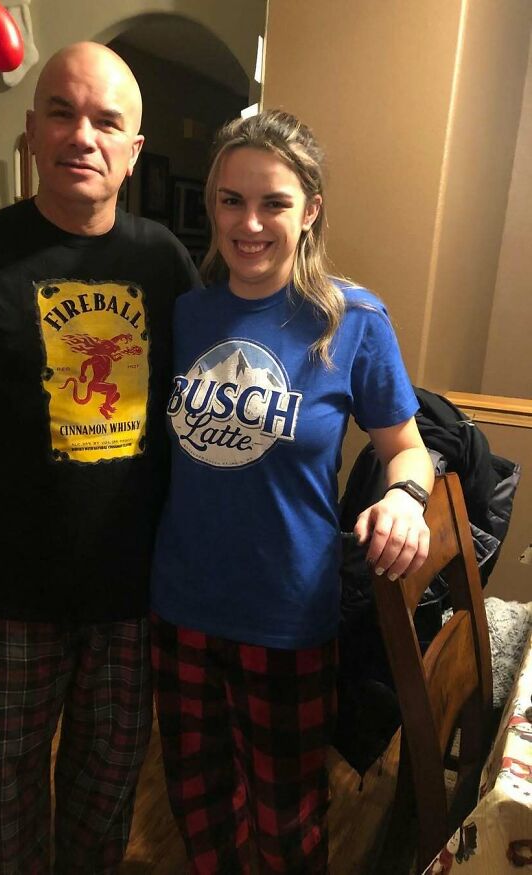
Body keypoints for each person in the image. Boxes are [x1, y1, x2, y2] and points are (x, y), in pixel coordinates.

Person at [0, 42, 198, 874]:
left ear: (133, 150)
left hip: (131, 590)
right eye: (62, 112)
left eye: (106, 121)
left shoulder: (166, 263)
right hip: (11, 586)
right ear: (32, 130)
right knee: (2, 796)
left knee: (105, 795)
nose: (82, 135)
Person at [149, 110, 434, 874]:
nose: (249, 223)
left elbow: (408, 449)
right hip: (179, 607)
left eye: (273, 202)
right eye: (231, 200)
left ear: (309, 210)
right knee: (198, 807)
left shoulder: (353, 319)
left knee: (288, 826)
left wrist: (404, 500)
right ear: (213, 206)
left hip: (286, 616)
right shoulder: (186, 314)